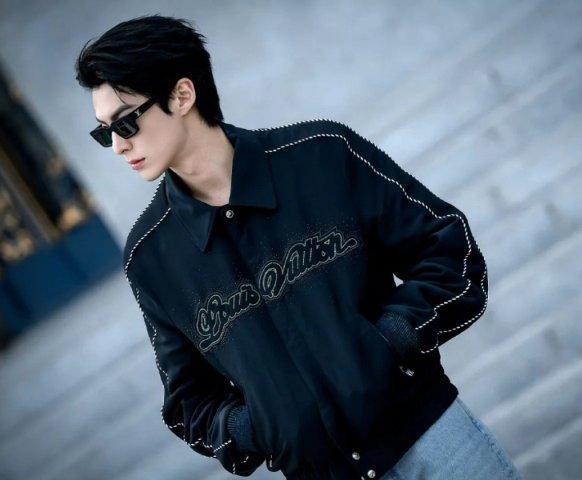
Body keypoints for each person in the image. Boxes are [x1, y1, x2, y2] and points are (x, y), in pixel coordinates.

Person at [75, 15, 522, 480]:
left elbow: (449, 252)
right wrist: (256, 429)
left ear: (182, 95)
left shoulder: (320, 154)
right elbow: (189, 402)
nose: (118, 146)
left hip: (436, 444)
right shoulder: (149, 256)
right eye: (104, 132)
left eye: (126, 123)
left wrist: (387, 343)